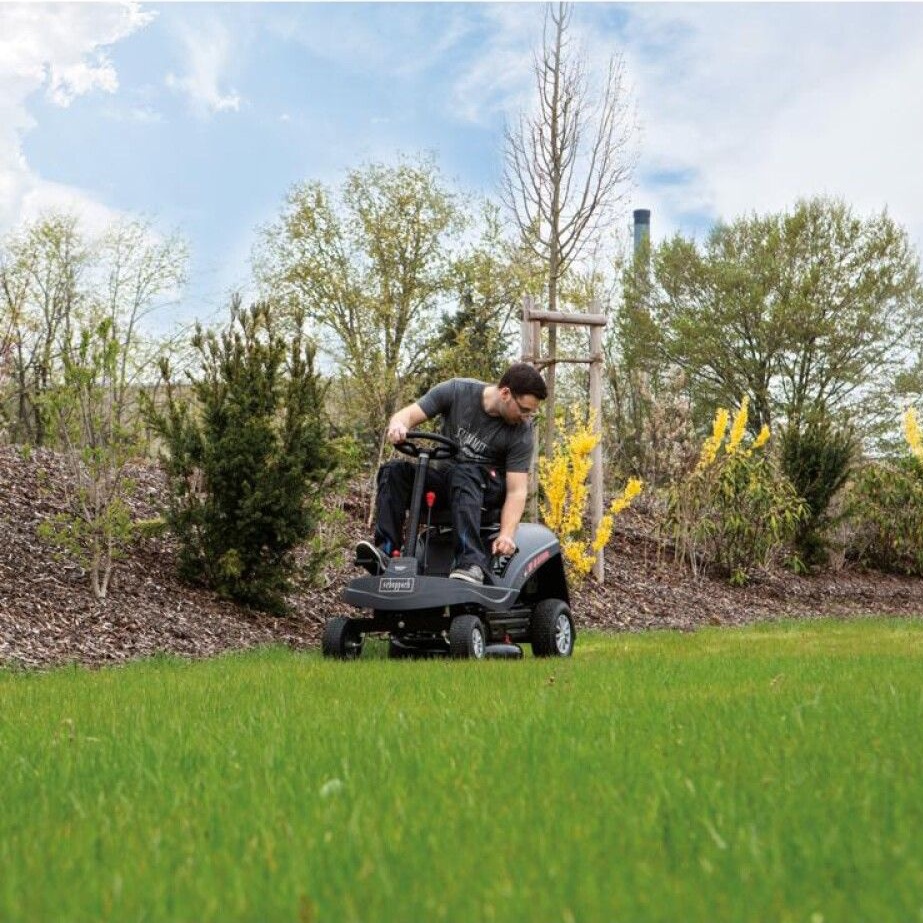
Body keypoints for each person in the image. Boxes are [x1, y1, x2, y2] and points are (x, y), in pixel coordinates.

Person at [356, 363, 548, 584]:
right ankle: (387, 552)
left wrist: (506, 534)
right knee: (394, 471)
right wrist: (398, 425)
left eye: (531, 412)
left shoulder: (521, 432)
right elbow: (407, 414)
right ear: (505, 393)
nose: (526, 417)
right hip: (448, 484)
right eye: (524, 410)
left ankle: (470, 563)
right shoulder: (456, 391)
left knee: (464, 473)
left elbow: (517, 491)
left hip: (486, 491)